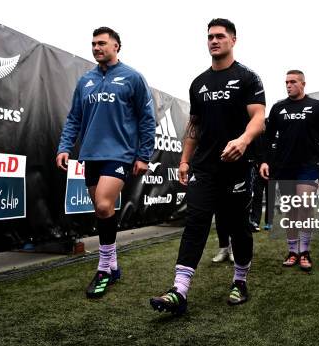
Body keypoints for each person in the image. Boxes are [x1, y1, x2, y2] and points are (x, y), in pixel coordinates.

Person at [150, 18, 265, 315]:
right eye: (210, 37)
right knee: (195, 224)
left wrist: (243, 140)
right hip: (204, 168)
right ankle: (180, 291)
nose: (214, 41)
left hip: (237, 168)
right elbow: (195, 125)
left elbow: (258, 118)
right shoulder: (198, 83)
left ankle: (240, 281)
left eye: (220, 36)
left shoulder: (248, 78)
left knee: (238, 228)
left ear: (233, 40)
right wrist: (185, 159)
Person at [56, 27, 155, 299]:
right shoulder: (85, 81)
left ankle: (103, 268)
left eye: (102, 43)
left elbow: (147, 119)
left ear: (116, 46)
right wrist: (65, 147)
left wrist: (144, 155)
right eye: (93, 44)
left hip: (119, 154)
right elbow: (74, 117)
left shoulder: (133, 78)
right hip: (90, 155)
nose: (97, 47)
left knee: (102, 203)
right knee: (102, 211)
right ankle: (113, 265)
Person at [259, 70, 319, 272]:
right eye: (286, 82)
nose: (288, 85)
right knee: (291, 210)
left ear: (303, 83)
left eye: (293, 81)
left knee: (304, 203)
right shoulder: (278, 108)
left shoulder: (317, 107)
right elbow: (268, 138)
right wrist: (265, 161)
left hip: (309, 165)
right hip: (284, 166)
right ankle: (293, 251)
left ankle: (305, 251)